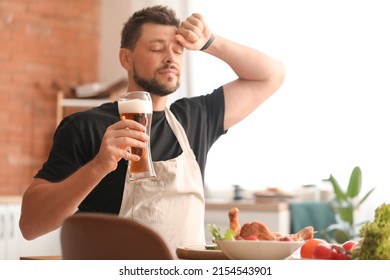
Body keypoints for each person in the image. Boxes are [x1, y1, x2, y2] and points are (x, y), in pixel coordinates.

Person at [19, 5, 285, 253]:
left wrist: (210, 42)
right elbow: (31, 225)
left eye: (179, 50)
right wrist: (98, 166)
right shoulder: (85, 126)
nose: (171, 58)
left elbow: (271, 75)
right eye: (157, 48)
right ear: (126, 58)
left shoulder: (196, 118)